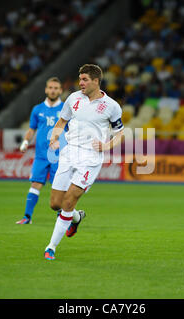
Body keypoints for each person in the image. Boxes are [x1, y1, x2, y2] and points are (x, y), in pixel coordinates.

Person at [44, 64, 124, 260]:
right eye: (80, 79)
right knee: (56, 204)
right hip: (69, 152)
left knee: (69, 200)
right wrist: (54, 138)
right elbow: (62, 122)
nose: (81, 83)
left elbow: (120, 133)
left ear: (96, 81)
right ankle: (76, 217)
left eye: (85, 79)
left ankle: (51, 247)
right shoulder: (73, 99)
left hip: (90, 158)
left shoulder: (111, 106)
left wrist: (106, 146)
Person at [16, 77, 66, 224]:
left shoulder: (65, 109)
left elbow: (71, 131)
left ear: (60, 90)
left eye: (56, 88)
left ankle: (61, 218)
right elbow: (32, 129)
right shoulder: (37, 109)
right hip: (41, 156)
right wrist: (25, 142)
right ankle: (27, 217)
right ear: (46, 89)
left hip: (59, 156)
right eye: (50, 87)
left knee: (59, 187)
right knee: (35, 185)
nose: (53, 90)